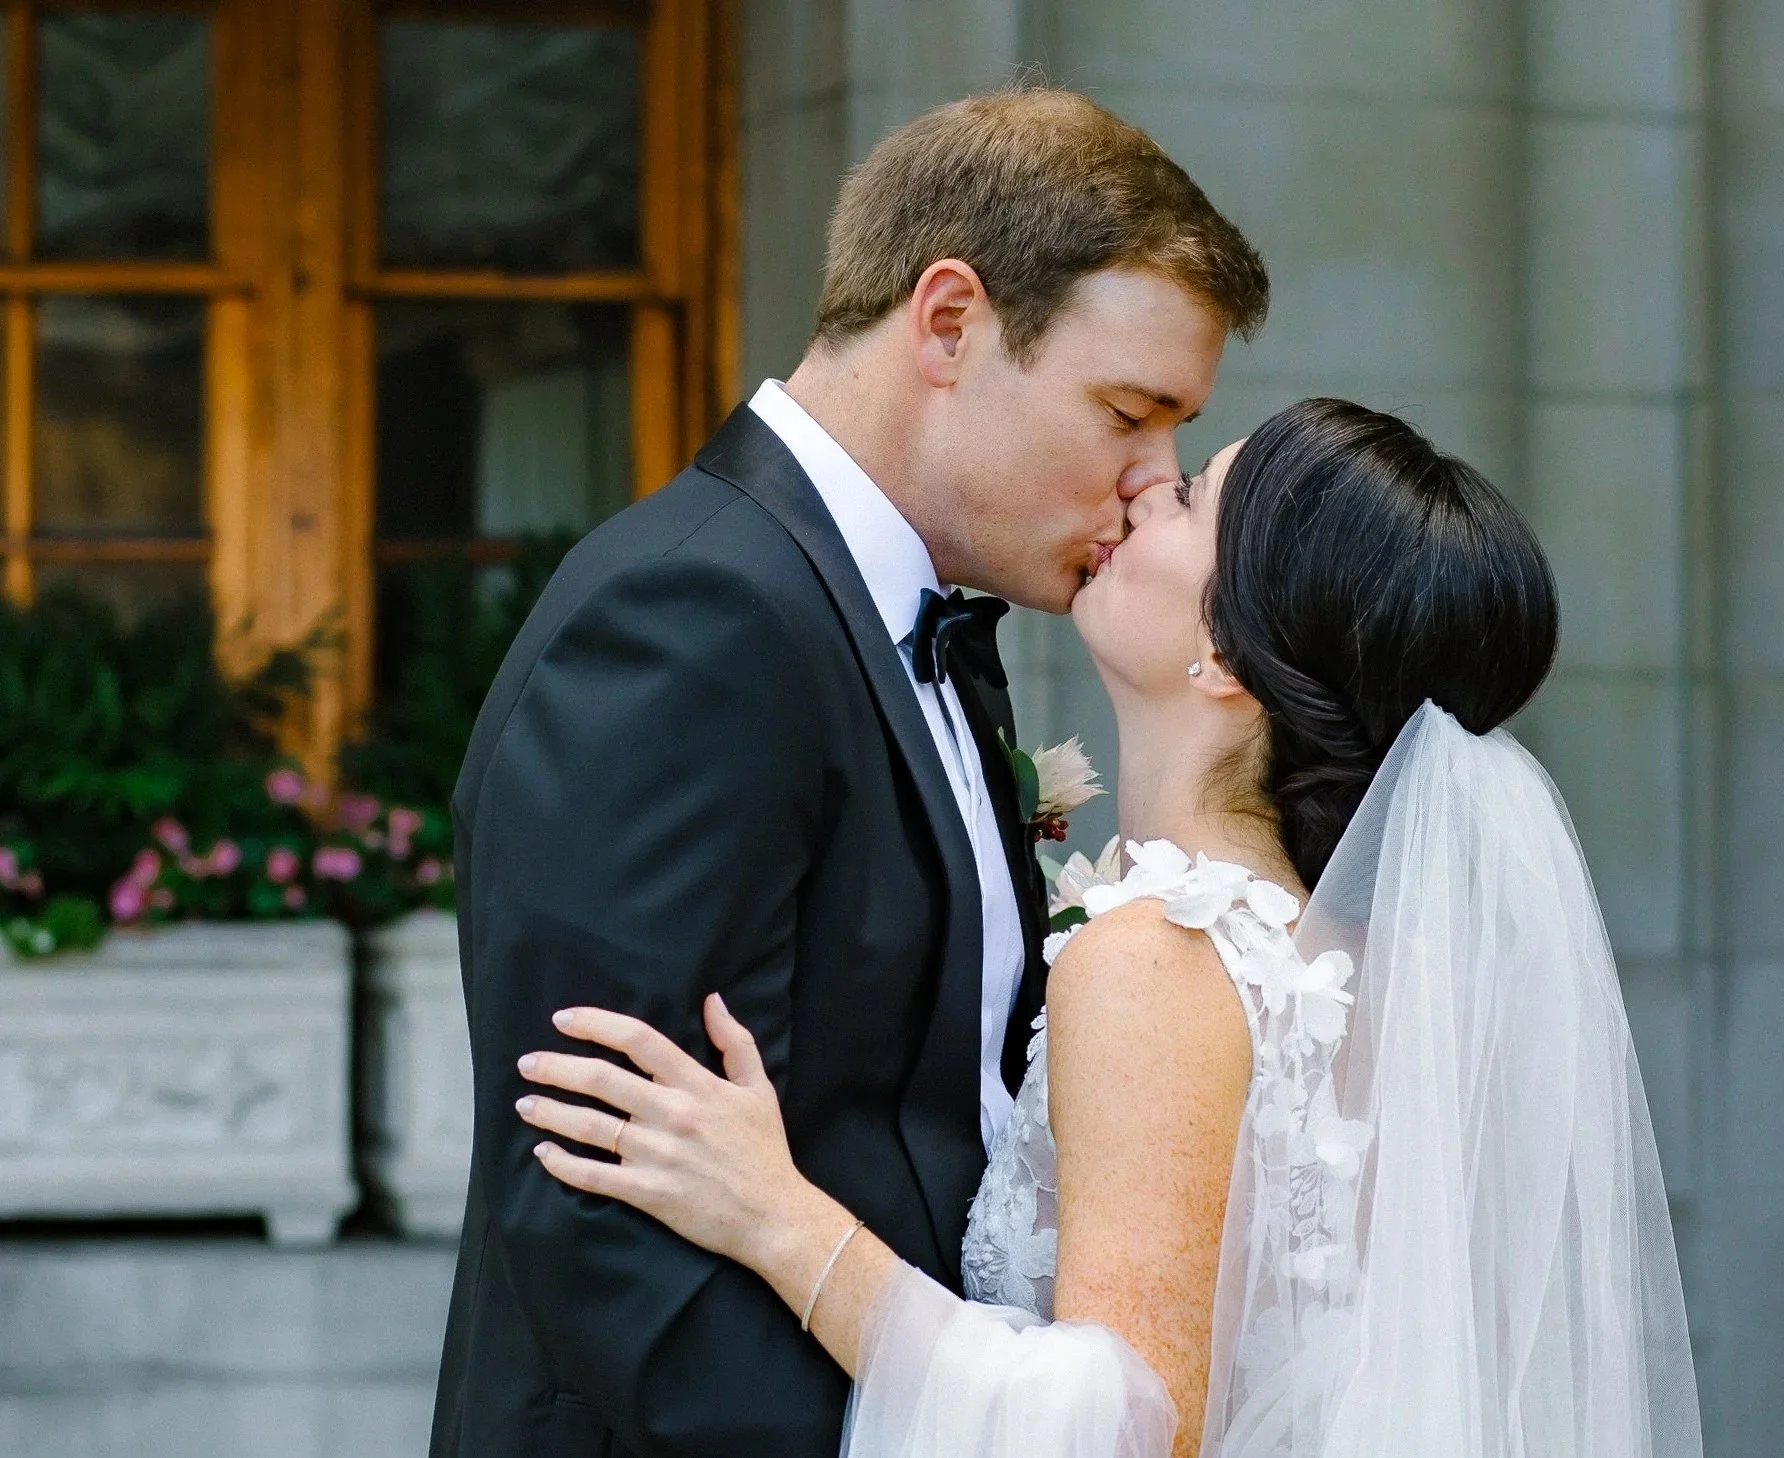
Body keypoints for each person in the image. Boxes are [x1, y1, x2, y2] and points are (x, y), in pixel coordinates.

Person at [514, 400, 1706, 1457]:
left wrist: (780, 1221)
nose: (1144, 488)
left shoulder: (1158, 954)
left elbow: (1121, 1429)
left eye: (1188, 498)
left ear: (1226, 656)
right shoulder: (1358, 963)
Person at [428, 86, 1269, 1458]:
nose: (1147, 480)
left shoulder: (938, 631)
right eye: (1127, 412)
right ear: (948, 323)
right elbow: (605, 1208)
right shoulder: (695, 618)